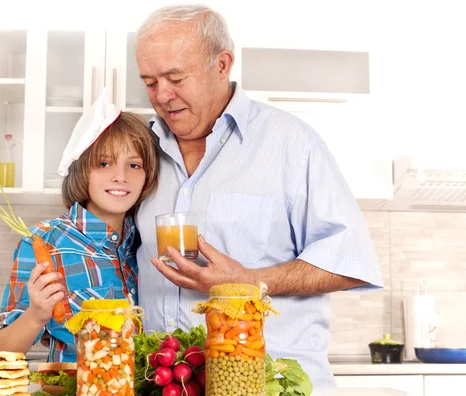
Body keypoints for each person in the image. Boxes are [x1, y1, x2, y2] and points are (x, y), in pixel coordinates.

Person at [133, 4, 383, 387]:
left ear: (222, 64)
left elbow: (350, 261)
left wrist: (248, 280)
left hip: (271, 386)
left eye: (176, 78)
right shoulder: (138, 154)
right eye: (150, 82)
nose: (162, 95)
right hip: (168, 385)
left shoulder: (292, 145)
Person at [0, 90, 159, 362]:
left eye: (134, 165)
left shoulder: (145, 243)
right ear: (83, 170)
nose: (120, 176)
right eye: (104, 163)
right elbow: (1, 352)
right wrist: (36, 314)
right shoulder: (45, 242)